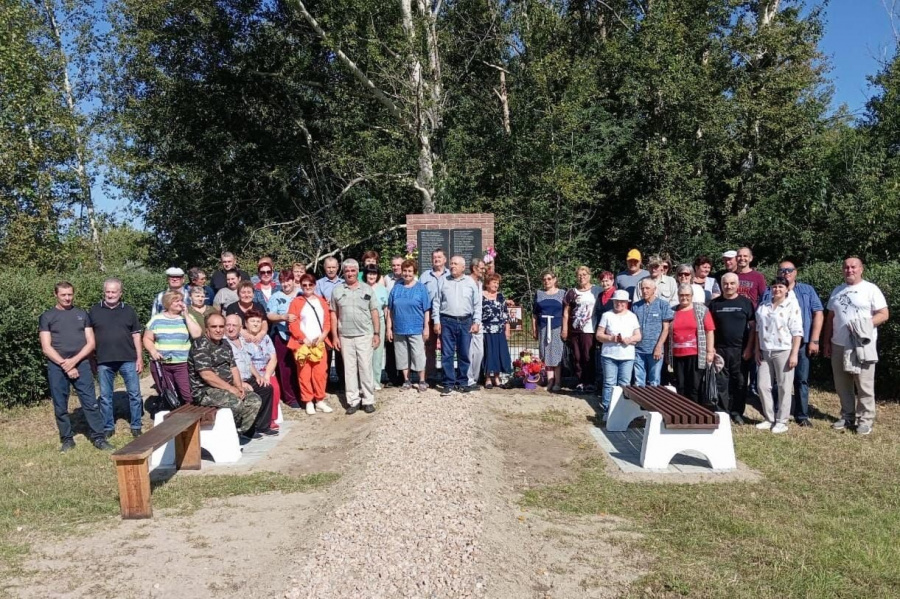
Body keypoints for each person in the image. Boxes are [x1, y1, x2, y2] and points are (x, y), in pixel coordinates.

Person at [39, 282, 111, 452]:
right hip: (57, 366)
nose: (67, 298)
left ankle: (98, 437)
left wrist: (74, 361)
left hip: (81, 364)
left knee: (90, 402)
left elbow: (91, 342)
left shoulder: (82, 314)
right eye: (63, 295)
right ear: (55, 294)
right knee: (60, 405)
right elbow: (46, 347)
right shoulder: (47, 316)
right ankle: (67, 439)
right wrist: (66, 365)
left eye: (70, 294)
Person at [823, 256, 889, 435]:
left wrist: (864, 326)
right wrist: (826, 341)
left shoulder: (870, 289)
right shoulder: (837, 290)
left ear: (861, 269)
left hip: (862, 345)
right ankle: (847, 415)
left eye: (853, 267)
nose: (849, 270)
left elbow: (883, 314)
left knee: (864, 384)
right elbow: (830, 318)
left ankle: (865, 420)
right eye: (846, 267)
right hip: (839, 344)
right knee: (842, 384)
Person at [761, 261, 824, 426]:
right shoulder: (770, 292)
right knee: (778, 381)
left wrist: (815, 340)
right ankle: (777, 413)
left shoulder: (806, 290)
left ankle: (802, 415)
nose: (785, 272)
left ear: (795, 272)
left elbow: (818, 313)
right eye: (782, 270)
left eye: (789, 270)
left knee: (801, 380)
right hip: (775, 345)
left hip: (800, 342)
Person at [187, 313, 262, 440]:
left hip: (227, 388)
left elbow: (233, 367)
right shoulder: (200, 345)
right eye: (214, 326)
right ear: (207, 329)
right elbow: (207, 375)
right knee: (235, 402)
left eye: (221, 326)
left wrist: (239, 386)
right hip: (205, 391)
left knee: (254, 400)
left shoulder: (225, 344)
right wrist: (231, 389)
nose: (218, 330)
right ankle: (227, 435)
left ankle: (237, 432)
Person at [89, 278, 144, 439]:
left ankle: (136, 425)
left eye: (114, 291)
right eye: (108, 291)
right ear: (104, 292)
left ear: (120, 293)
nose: (111, 295)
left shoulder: (128, 310)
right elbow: (89, 337)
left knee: (134, 393)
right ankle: (108, 426)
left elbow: (136, 335)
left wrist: (139, 357)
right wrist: (92, 359)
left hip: (128, 358)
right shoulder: (94, 311)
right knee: (105, 396)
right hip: (104, 359)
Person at [754, 277, 803, 434]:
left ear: (787, 289)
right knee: (762, 385)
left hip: (783, 350)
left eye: (781, 287)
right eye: (774, 287)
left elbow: (797, 332)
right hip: (764, 349)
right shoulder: (764, 305)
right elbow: (757, 329)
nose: (777, 289)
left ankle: (782, 421)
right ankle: (769, 418)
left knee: (784, 386)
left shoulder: (791, 305)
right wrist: (756, 349)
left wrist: (794, 354)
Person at [331, 259, 380, 414]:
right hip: (345, 336)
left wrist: (377, 333)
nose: (350, 273)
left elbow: (374, 312)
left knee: (365, 367)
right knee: (350, 370)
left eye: (353, 271)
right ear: (343, 272)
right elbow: (333, 314)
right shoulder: (337, 290)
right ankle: (353, 400)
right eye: (347, 271)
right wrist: (335, 336)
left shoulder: (367, 289)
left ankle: (368, 400)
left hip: (364, 334)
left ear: (357, 272)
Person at [708, 273, 755, 423]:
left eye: (732, 283)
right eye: (725, 284)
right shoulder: (714, 304)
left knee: (740, 382)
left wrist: (749, 348)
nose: (728, 286)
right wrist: (711, 348)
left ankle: (737, 412)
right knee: (721, 383)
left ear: (737, 285)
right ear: (721, 285)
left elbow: (754, 328)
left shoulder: (746, 303)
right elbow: (709, 329)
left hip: (741, 350)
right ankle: (723, 412)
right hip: (720, 350)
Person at [434, 255, 482, 395]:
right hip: (446, 321)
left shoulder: (470, 282)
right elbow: (436, 302)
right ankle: (448, 383)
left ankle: (462, 382)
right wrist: (436, 321)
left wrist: (476, 321)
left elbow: (477, 304)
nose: (452, 266)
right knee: (447, 354)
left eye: (455, 264)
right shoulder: (443, 280)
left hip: (465, 321)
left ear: (463, 267)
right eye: (451, 263)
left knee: (464, 354)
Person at [144, 290, 202, 405]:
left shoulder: (187, 318)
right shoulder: (156, 319)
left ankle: (189, 415)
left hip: (182, 363)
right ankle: (171, 416)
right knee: (168, 394)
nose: (180, 303)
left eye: (181, 300)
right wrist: (153, 351)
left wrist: (186, 315)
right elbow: (147, 338)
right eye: (176, 301)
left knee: (187, 394)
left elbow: (197, 334)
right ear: (168, 303)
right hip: (161, 364)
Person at [223, 313, 277, 435]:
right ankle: (248, 429)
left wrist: (258, 376)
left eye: (234, 325)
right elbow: (224, 369)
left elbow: (248, 362)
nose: (231, 328)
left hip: (248, 377)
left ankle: (262, 426)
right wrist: (240, 383)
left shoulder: (242, 340)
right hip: (233, 381)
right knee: (250, 395)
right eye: (228, 325)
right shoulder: (223, 343)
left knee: (266, 388)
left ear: (240, 327)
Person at [289, 273, 334, 413]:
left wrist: (323, 336)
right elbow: (293, 323)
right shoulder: (296, 302)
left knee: (320, 373)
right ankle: (308, 401)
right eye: (304, 285)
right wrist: (302, 338)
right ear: (301, 286)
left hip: (319, 342)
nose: (307, 287)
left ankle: (320, 399)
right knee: (304, 374)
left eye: (310, 284)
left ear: (315, 285)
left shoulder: (321, 301)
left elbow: (327, 322)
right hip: (302, 344)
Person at [386, 259, 431, 392]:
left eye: (410, 271)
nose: (407, 274)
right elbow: (390, 310)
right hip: (399, 328)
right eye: (405, 271)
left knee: (418, 355)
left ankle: (422, 380)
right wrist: (389, 328)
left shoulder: (421, 288)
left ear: (414, 272)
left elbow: (426, 309)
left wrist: (426, 327)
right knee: (402, 355)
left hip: (416, 328)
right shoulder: (396, 288)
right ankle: (406, 380)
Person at [596, 289, 641, 415]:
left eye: (622, 302)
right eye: (616, 301)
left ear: (626, 303)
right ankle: (606, 408)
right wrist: (611, 338)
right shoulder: (607, 315)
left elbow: (638, 336)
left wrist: (629, 339)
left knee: (624, 383)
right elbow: (598, 335)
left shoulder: (632, 316)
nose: (619, 304)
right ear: (613, 302)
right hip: (609, 354)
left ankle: (621, 409)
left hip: (627, 356)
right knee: (609, 382)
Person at [670, 283, 716, 403]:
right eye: (681, 295)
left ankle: (695, 412)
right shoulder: (672, 311)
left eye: (687, 295)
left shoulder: (701, 310)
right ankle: (682, 412)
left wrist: (709, 352)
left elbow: (709, 331)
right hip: (677, 355)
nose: (684, 298)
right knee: (680, 386)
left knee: (695, 386)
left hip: (695, 354)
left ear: (692, 295)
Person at [561, 266, 601, 393]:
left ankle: (590, 382)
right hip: (574, 330)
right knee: (577, 357)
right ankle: (580, 381)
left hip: (589, 329)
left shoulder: (597, 290)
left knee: (588, 356)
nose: (582, 277)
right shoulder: (571, 292)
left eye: (584, 274)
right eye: (579, 275)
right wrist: (565, 329)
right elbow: (566, 312)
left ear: (589, 276)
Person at [268, 269, 302, 409]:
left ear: (294, 280)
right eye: (282, 281)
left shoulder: (301, 294)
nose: (285, 284)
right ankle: (290, 397)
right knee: (285, 367)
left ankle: (303, 394)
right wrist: (283, 317)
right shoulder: (276, 296)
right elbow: (269, 315)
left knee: (301, 366)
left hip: (300, 337)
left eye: (288, 280)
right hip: (282, 336)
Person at [630, 278, 673, 387]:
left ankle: (653, 404)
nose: (644, 291)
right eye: (642, 288)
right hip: (638, 350)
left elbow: (666, 329)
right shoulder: (635, 306)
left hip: (655, 349)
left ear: (654, 289)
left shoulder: (663, 305)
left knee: (654, 381)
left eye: (647, 288)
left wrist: (659, 347)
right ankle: (639, 403)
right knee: (639, 381)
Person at [420, 248, 450, 385]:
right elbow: (419, 295)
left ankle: (446, 375)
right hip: (428, 315)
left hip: (446, 315)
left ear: (445, 260)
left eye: (439, 257)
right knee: (429, 346)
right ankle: (430, 375)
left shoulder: (451, 275)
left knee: (446, 347)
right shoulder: (425, 276)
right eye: (434, 257)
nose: (437, 259)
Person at [532, 270, 565, 390]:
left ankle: (557, 382)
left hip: (557, 327)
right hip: (543, 327)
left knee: (556, 354)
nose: (546, 281)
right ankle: (549, 382)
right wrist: (535, 329)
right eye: (544, 279)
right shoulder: (539, 294)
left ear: (555, 280)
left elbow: (566, 312)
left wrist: (565, 328)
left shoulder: (562, 293)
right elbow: (535, 314)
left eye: (549, 279)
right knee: (546, 354)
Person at [481, 273, 511, 389]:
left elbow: (505, 314)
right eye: (494, 282)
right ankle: (488, 378)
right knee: (488, 353)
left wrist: (507, 329)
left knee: (498, 354)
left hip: (499, 330)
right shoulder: (481, 296)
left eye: (498, 283)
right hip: (485, 329)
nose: (496, 285)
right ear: (487, 283)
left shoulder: (500, 296)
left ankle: (497, 378)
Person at [363, 265, 389, 390]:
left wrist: (388, 326)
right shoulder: (361, 288)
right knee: (364, 352)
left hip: (379, 321)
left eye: (374, 274)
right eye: (369, 273)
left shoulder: (382, 289)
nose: (371, 276)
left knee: (377, 352)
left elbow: (386, 308)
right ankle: (365, 381)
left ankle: (376, 381)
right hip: (364, 322)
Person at [383, 255, 406, 386]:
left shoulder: (410, 278)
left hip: (403, 317)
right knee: (391, 348)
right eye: (394, 265)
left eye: (398, 265)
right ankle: (392, 377)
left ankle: (403, 377)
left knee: (402, 347)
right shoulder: (387, 279)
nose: (396, 267)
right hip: (390, 315)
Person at [467, 257, 486, 388]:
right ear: (474, 268)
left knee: (479, 352)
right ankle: (468, 379)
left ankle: (475, 377)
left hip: (478, 321)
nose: (483, 271)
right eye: (481, 268)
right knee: (468, 352)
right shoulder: (466, 282)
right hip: (467, 320)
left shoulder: (480, 283)